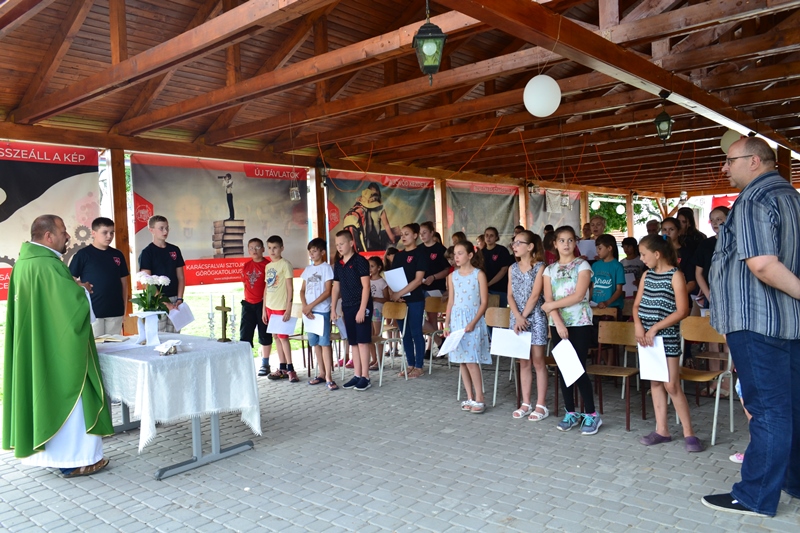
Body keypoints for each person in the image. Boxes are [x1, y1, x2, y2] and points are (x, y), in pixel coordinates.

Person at [703, 137, 800, 517]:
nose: (724, 168)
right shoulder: (791, 197)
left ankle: (756, 496)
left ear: (755, 161)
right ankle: (793, 481)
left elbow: (761, 264)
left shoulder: (755, 199)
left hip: (758, 321)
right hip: (787, 321)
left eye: (730, 160)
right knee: (790, 406)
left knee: (767, 410)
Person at [3, 215, 112, 477]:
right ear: (49, 236)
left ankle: (50, 456)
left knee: (41, 393)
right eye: (63, 232)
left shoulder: (24, 263)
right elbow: (71, 306)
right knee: (71, 389)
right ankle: (76, 460)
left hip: (37, 345)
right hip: (59, 350)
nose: (68, 237)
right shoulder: (49, 265)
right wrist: (83, 290)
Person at [633, 235, 703, 453]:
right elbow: (636, 306)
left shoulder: (676, 275)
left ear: (657, 254)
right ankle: (662, 430)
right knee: (655, 382)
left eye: (643, 254)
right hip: (646, 339)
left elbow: (682, 311)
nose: (641, 258)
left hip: (667, 338)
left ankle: (689, 433)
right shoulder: (647, 275)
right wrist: (639, 326)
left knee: (671, 385)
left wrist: (655, 328)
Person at [541, 226, 601, 435]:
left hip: (580, 322)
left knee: (578, 368)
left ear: (575, 242)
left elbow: (579, 295)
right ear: (555, 244)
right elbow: (548, 299)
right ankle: (571, 412)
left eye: (570, 240)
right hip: (558, 324)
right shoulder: (549, 270)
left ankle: (592, 414)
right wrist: (557, 322)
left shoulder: (582, 265)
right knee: (564, 368)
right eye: (561, 240)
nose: (566, 244)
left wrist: (551, 306)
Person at [443, 240, 491, 414]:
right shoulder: (452, 276)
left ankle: (480, 397)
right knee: (462, 360)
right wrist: (447, 323)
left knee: (471, 360)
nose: (456, 257)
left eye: (460, 253)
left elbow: (484, 302)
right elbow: (451, 301)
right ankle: (469, 396)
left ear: (470, 255)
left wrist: (473, 322)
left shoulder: (479, 274)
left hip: (473, 321)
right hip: (457, 321)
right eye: (455, 254)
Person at [508, 231, 549, 422]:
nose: (514, 246)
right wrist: (518, 317)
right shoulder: (512, 268)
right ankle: (526, 402)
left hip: (536, 318)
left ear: (530, 246)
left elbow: (535, 295)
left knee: (538, 361)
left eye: (519, 243)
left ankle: (541, 404)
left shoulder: (540, 267)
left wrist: (523, 317)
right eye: (514, 243)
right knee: (523, 362)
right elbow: (510, 295)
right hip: (517, 319)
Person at [69, 216, 130, 337]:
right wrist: (80, 285)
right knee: (97, 346)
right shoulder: (83, 255)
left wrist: (124, 309)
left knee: (114, 346)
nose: (109, 236)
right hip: (93, 312)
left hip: (115, 311)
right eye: (105, 232)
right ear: (94, 233)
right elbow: (70, 279)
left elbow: (124, 283)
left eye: (112, 232)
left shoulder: (117, 254)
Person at [331, 230, 374, 390]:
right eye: (337, 244)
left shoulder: (360, 261)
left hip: (361, 305)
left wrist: (362, 309)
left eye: (342, 244)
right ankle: (357, 374)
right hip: (347, 306)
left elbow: (366, 286)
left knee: (363, 342)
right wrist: (333, 308)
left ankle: (366, 377)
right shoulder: (338, 264)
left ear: (351, 243)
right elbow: (336, 288)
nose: (339, 247)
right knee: (353, 342)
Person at [389, 223, 428, 378]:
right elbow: (392, 277)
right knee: (404, 333)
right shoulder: (398, 256)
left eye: (407, 234)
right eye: (402, 234)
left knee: (416, 332)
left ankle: (419, 365)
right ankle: (410, 364)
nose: (403, 237)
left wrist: (399, 293)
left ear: (415, 235)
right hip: (400, 301)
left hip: (415, 299)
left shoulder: (421, 254)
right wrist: (394, 294)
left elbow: (418, 280)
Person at [139, 215, 185, 332]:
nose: (165, 231)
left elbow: (180, 277)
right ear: (151, 230)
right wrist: (164, 302)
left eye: (167, 228)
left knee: (175, 335)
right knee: (159, 335)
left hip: (175, 299)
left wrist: (179, 299)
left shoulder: (174, 250)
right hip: (157, 300)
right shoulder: (147, 253)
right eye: (161, 228)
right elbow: (147, 282)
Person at [300, 238, 335, 389]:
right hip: (309, 312)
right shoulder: (308, 269)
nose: (311, 254)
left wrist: (311, 306)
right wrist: (305, 306)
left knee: (324, 343)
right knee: (315, 343)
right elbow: (302, 290)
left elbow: (328, 291)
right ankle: (321, 373)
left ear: (322, 252)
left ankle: (329, 377)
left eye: (314, 251)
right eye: (310, 251)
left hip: (322, 311)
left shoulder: (326, 268)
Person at [262, 235, 296, 382]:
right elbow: (266, 288)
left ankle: (291, 369)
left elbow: (290, 287)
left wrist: (288, 308)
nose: (272, 251)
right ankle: (282, 367)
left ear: (282, 248)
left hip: (281, 306)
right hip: (270, 306)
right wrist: (264, 309)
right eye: (269, 248)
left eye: (275, 247)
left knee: (283, 338)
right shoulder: (268, 266)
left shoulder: (285, 264)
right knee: (276, 336)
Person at [240, 238, 273, 377]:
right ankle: (245, 364)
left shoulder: (268, 265)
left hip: (263, 304)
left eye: (257, 247)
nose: (254, 250)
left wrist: (265, 306)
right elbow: (245, 284)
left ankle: (265, 363)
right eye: (251, 248)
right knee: (245, 335)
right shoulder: (246, 266)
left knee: (264, 334)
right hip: (248, 304)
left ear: (263, 249)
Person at [420, 221, 449, 356]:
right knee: (417, 316)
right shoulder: (418, 249)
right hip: (420, 287)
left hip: (435, 288)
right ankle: (438, 341)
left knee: (432, 318)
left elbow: (447, 270)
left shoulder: (440, 249)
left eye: (425, 232)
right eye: (420, 233)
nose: (422, 235)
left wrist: (434, 277)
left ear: (432, 233)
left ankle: (429, 348)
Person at [342, 182, 395, 252]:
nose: (373, 197)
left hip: (369, 244)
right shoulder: (368, 207)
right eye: (372, 194)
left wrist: (392, 239)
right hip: (370, 244)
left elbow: (386, 226)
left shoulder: (363, 208)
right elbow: (386, 226)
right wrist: (393, 239)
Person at [660, 217, 696, 309]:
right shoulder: (657, 253)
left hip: (680, 302)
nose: (667, 233)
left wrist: (674, 296)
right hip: (659, 302)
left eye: (671, 229)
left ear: (679, 232)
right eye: (664, 230)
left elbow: (691, 283)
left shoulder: (687, 253)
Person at [591, 234, 625, 314]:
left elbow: (619, 290)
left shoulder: (618, 266)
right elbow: (593, 287)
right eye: (596, 248)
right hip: (595, 306)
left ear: (609, 248)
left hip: (612, 307)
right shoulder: (595, 265)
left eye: (600, 248)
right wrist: (588, 300)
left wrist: (607, 302)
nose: (597, 251)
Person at [481, 226, 513, 307]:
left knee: (500, 312)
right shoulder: (481, 252)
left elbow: (504, 270)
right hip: (484, 289)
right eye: (486, 235)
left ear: (496, 237)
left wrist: (489, 283)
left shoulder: (502, 250)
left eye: (491, 235)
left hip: (499, 289)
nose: (488, 238)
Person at [368, 256, 389, 370]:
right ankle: (374, 359)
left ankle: (380, 361)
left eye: (372, 266)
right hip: (368, 310)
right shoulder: (367, 280)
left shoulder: (382, 282)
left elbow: (387, 299)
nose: (370, 269)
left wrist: (375, 298)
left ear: (379, 268)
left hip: (377, 310)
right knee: (369, 335)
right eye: (369, 266)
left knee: (377, 335)